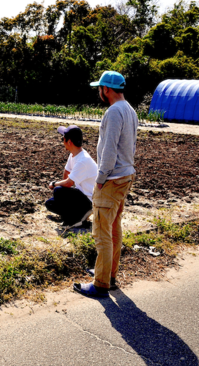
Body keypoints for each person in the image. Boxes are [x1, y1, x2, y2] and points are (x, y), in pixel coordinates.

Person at [74, 71, 138, 298]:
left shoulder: (113, 112)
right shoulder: (130, 109)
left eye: (100, 88)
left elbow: (109, 152)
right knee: (113, 228)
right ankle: (109, 273)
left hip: (111, 180)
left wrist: (100, 181)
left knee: (101, 231)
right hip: (125, 176)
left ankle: (101, 284)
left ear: (107, 89)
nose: (98, 91)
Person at [45, 125, 97, 227]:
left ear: (69, 142)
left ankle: (79, 217)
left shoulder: (83, 160)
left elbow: (69, 183)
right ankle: (73, 215)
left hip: (89, 200)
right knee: (50, 203)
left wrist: (55, 184)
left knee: (57, 191)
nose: (62, 141)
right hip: (81, 196)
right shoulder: (74, 154)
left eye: (63, 139)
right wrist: (63, 193)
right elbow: (66, 172)